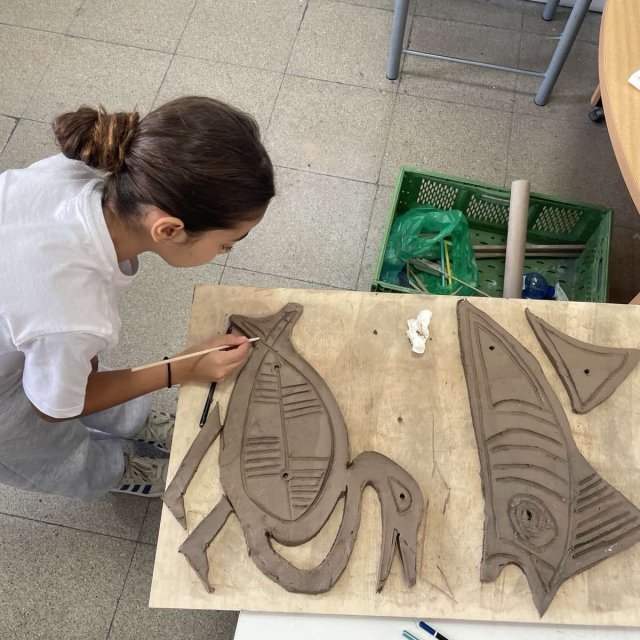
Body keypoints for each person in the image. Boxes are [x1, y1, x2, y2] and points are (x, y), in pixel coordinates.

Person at [0, 96, 275, 501]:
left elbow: (66, 351)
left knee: (75, 367)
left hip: (32, 324)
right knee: (48, 449)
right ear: (169, 230)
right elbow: (55, 407)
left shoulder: (90, 170)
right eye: (227, 244)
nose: (225, 253)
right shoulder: (73, 313)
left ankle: (137, 421)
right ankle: (115, 468)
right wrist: (182, 367)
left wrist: (78, 361)